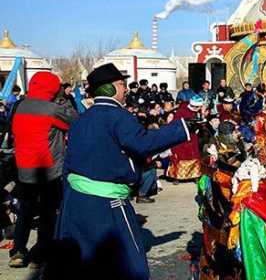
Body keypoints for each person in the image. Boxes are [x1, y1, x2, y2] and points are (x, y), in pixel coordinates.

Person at [48, 63, 193, 280]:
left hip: (77, 203)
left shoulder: (81, 119)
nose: (126, 89)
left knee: (84, 263)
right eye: (121, 85)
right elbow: (143, 143)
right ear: (108, 89)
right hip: (108, 204)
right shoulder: (117, 115)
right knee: (128, 264)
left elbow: (69, 165)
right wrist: (183, 128)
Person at [9, 72, 77, 268]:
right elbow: (74, 120)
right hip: (48, 168)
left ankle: (19, 251)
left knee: (26, 210)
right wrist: (63, 99)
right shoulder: (52, 109)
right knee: (48, 212)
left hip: (23, 167)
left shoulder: (20, 105)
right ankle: (40, 254)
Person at [166, 96, 203, 183]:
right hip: (182, 137)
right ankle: (176, 176)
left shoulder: (196, 111)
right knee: (179, 156)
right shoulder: (181, 111)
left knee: (194, 155)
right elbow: (176, 124)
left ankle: (195, 175)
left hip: (192, 136)